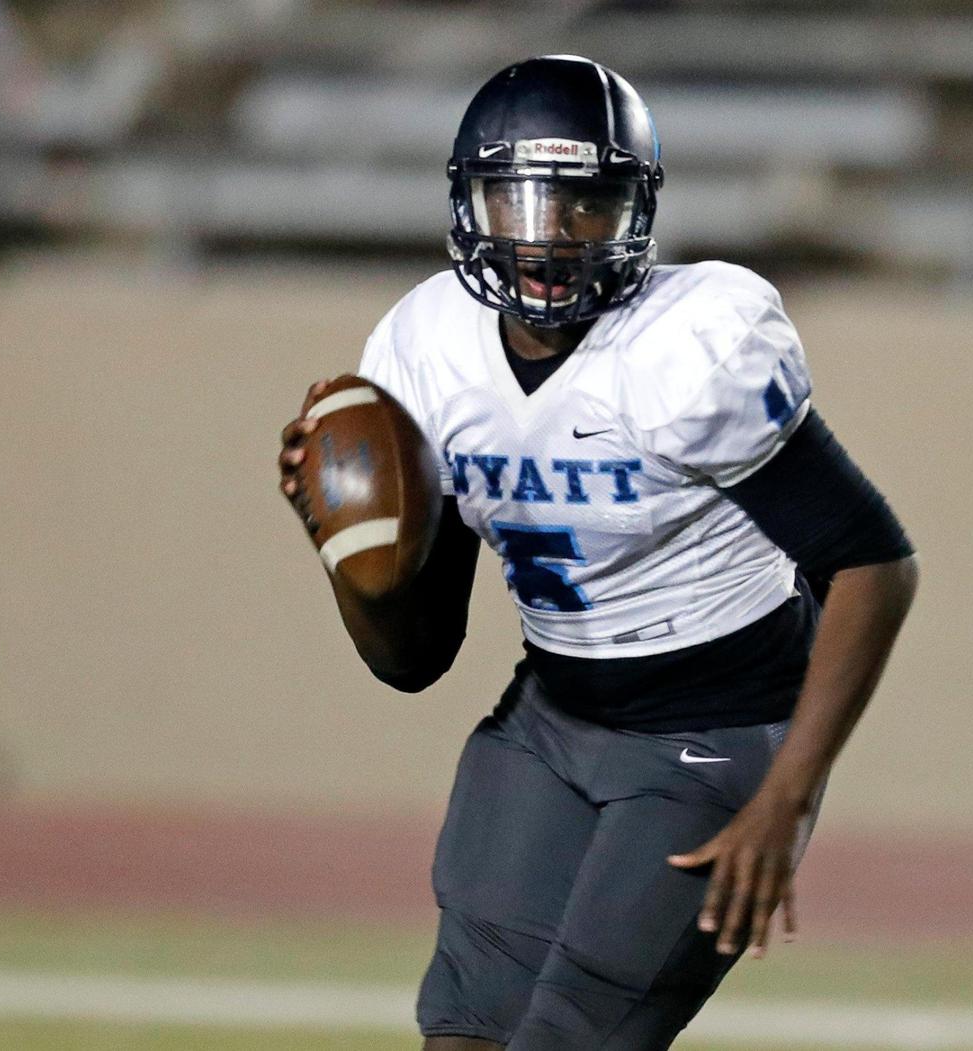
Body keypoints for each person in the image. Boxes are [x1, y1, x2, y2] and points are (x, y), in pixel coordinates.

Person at [278, 55, 918, 1051]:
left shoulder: (687, 345)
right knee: (461, 1037)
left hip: (718, 732)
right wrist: (347, 548)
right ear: (467, 201)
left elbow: (872, 562)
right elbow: (414, 658)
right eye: (518, 202)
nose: (547, 240)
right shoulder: (425, 349)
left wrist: (789, 788)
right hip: (553, 720)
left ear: (636, 212)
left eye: (585, 205)